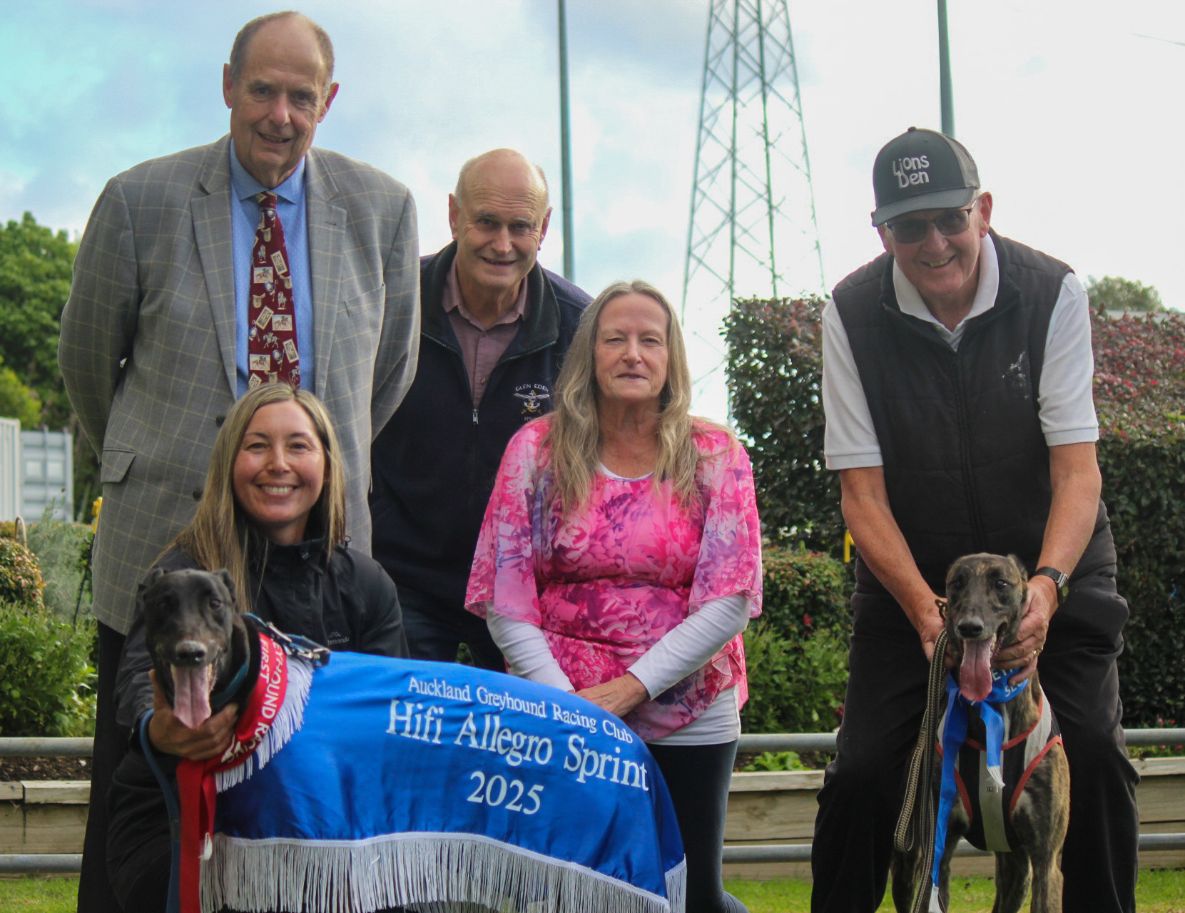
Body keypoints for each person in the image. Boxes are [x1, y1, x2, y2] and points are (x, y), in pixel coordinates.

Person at [58, 12, 419, 911]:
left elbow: (388, 376)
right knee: (141, 810)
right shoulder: (137, 201)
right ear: (227, 85)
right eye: (263, 89)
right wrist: (201, 474)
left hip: (318, 568)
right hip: (161, 553)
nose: (280, 114)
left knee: (309, 812)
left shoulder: (383, 210)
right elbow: (85, 365)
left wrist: (296, 474)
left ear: (328, 102)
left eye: (303, 96)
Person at [812, 127, 1138, 913]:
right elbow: (861, 494)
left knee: (1090, 756)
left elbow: (1076, 469)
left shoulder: (1051, 290)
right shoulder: (849, 313)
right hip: (915, 591)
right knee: (862, 775)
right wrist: (927, 610)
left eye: (948, 218)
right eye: (907, 226)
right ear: (879, 230)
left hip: (1049, 572)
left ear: (982, 210)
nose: (932, 243)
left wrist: (1047, 589)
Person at [466, 280, 762, 913]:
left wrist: (629, 689)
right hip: (560, 710)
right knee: (570, 894)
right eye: (615, 339)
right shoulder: (535, 451)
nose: (633, 353)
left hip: (688, 709)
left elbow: (729, 599)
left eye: (649, 340)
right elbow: (506, 596)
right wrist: (571, 709)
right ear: (589, 355)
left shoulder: (717, 455)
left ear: (671, 358)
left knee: (691, 897)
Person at [105, 383, 408, 911]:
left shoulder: (366, 584)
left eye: (298, 445)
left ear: (328, 463)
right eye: (257, 446)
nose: (277, 464)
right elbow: (136, 680)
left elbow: (392, 714)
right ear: (229, 462)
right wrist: (164, 729)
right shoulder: (183, 574)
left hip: (330, 818)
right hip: (182, 820)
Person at [371, 149, 589, 670]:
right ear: (453, 214)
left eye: (521, 226)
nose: (503, 244)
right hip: (403, 579)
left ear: (545, 227)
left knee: (519, 746)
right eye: (486, 222)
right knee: (407, 740)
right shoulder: (390, 300)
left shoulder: (579, 324)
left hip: (525, 588)